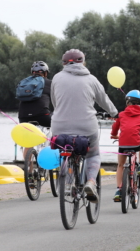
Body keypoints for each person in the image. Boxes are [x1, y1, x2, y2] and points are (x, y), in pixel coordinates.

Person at [50, 49, 118, 203]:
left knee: (64, 150)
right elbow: (104, 100)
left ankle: (67, 183)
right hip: (87, 127)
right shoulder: (92, 79)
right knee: (93, 154)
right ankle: (91, 182)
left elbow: (55, 102)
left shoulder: (56, 78)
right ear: (83, 62)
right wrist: (114, 113)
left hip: (59, 126)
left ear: (64, 63)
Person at [111, 90, 140, 202]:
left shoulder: (121, 114)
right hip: (136, 143)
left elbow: (115, 127)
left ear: (127, 103)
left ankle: (119, 189)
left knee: (120, 165)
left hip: (122, 144)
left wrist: (114, 135)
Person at [18, 61, 52, 162]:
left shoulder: (24, 83)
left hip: (23, 117)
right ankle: (48, 149)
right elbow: (57, 100)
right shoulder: (50, 83)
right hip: (43, 115)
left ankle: (29, 172)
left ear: (32, 72)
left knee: (29, 143)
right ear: (45, 73)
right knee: (56, 130)